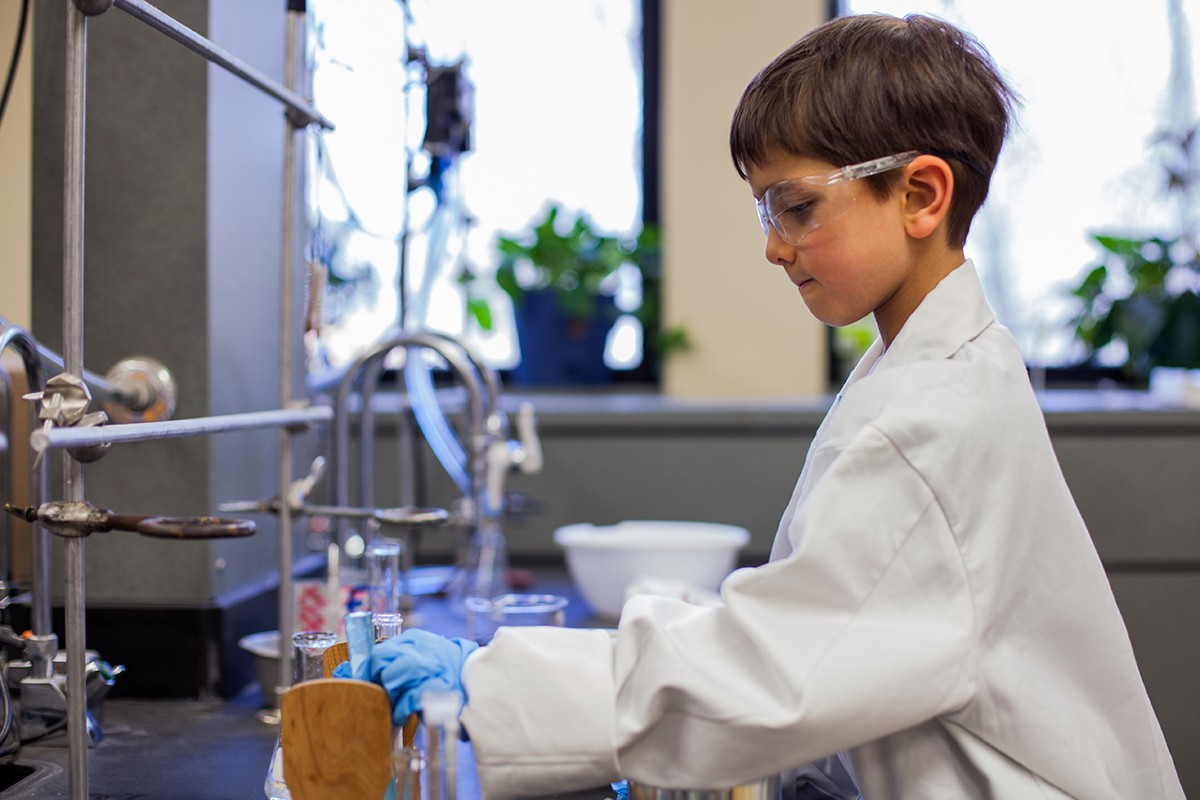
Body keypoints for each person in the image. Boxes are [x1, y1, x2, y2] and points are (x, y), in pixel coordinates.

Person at [360, 13, 1185, 799]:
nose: (772, 245)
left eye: (795, 207)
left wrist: (486, 680)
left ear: (922, 195)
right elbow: (823, 637)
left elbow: (770, 674)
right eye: (766, 210)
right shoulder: (936, 366)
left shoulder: (933, 419)